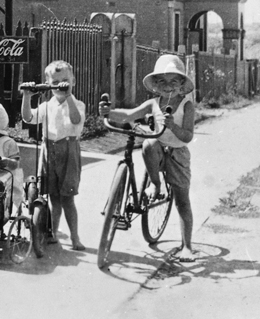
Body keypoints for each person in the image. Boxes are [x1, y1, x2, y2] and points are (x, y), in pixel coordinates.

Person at [99, 53, 196, 262]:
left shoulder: (186, 105)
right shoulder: (153, 103)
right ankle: (155, 184)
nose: (168, 86)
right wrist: (108, 113)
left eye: (173, 81)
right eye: (162, 82)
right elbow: (128, 116)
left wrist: (173, 126)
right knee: (148, 143)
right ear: (156, 85)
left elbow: (188, 136)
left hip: (178, 152)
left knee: (182, 200)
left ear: (181, 84)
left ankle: (187, 246)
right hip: (158, 147)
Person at [21, 60, 86, 251]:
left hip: (69, 151)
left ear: (73, 81)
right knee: (53, 197)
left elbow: (75, 120)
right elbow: (28, 118)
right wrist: (27, 96)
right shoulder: (47, 105)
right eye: (55, 82)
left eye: (65, 80)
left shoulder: (77, 104)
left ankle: (75, 237)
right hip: (49, 150)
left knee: (68, 198)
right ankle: (53, 233)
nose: (60, 85)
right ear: (48, 83)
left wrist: (68, 96)